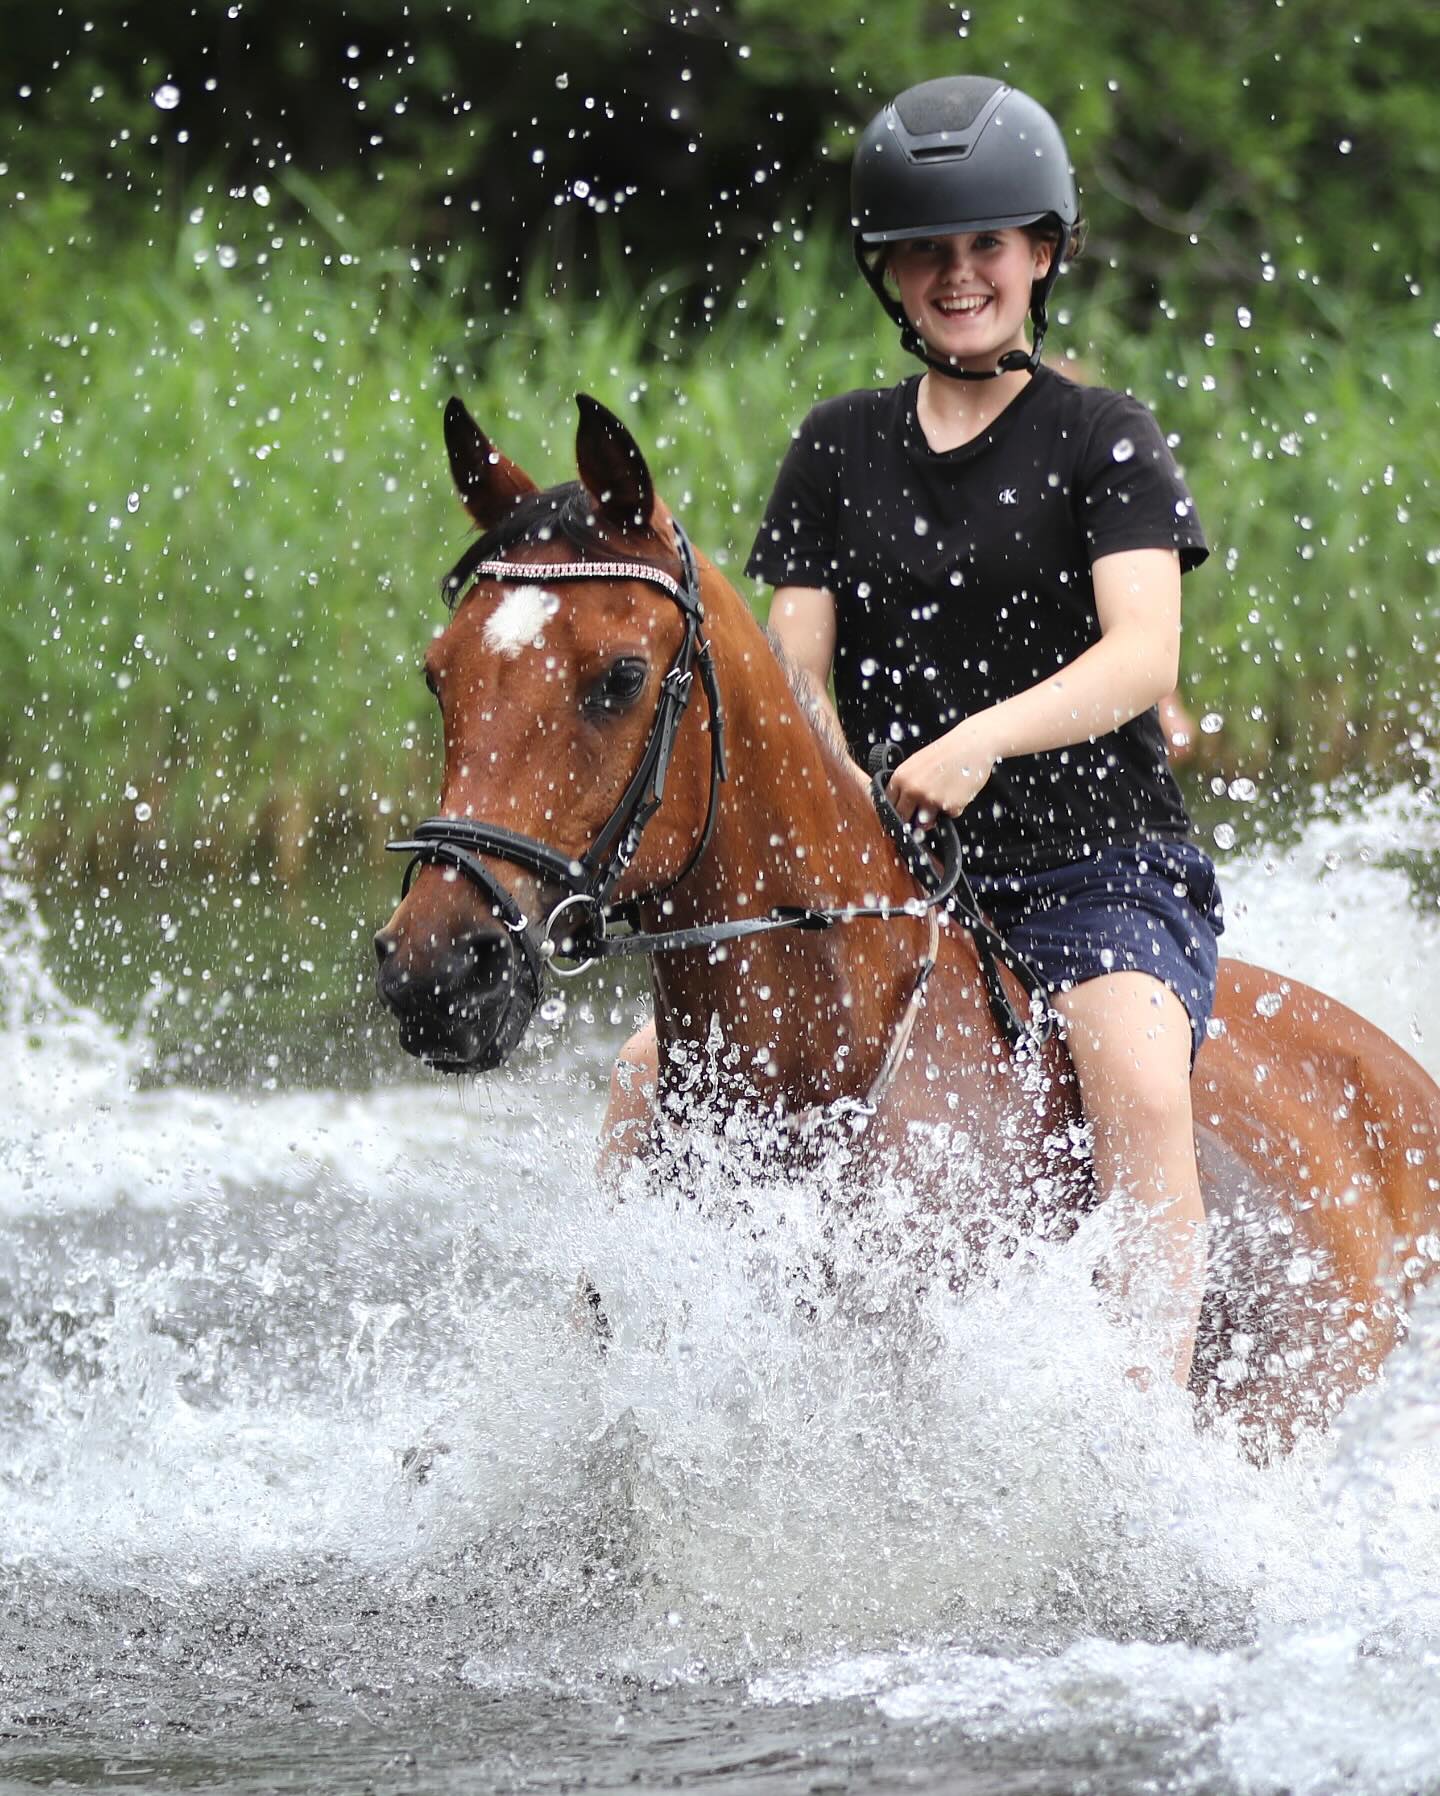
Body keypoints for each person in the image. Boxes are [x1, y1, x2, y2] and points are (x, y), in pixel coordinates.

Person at [605, 76, 1223, 1389]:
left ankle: (1150, 1422)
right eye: (929, 252)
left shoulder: (1104, 439)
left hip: (1089, 866)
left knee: (1139, 1080)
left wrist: (980, 740)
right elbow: (797, 670)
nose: (960, 275)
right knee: (642, 1071)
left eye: (988, 246)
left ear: (1041, 253)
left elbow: (1141, 655)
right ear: (888, 273)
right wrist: (838, 782)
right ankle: (601, 1381)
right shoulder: (835, 448)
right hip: (885, 879)